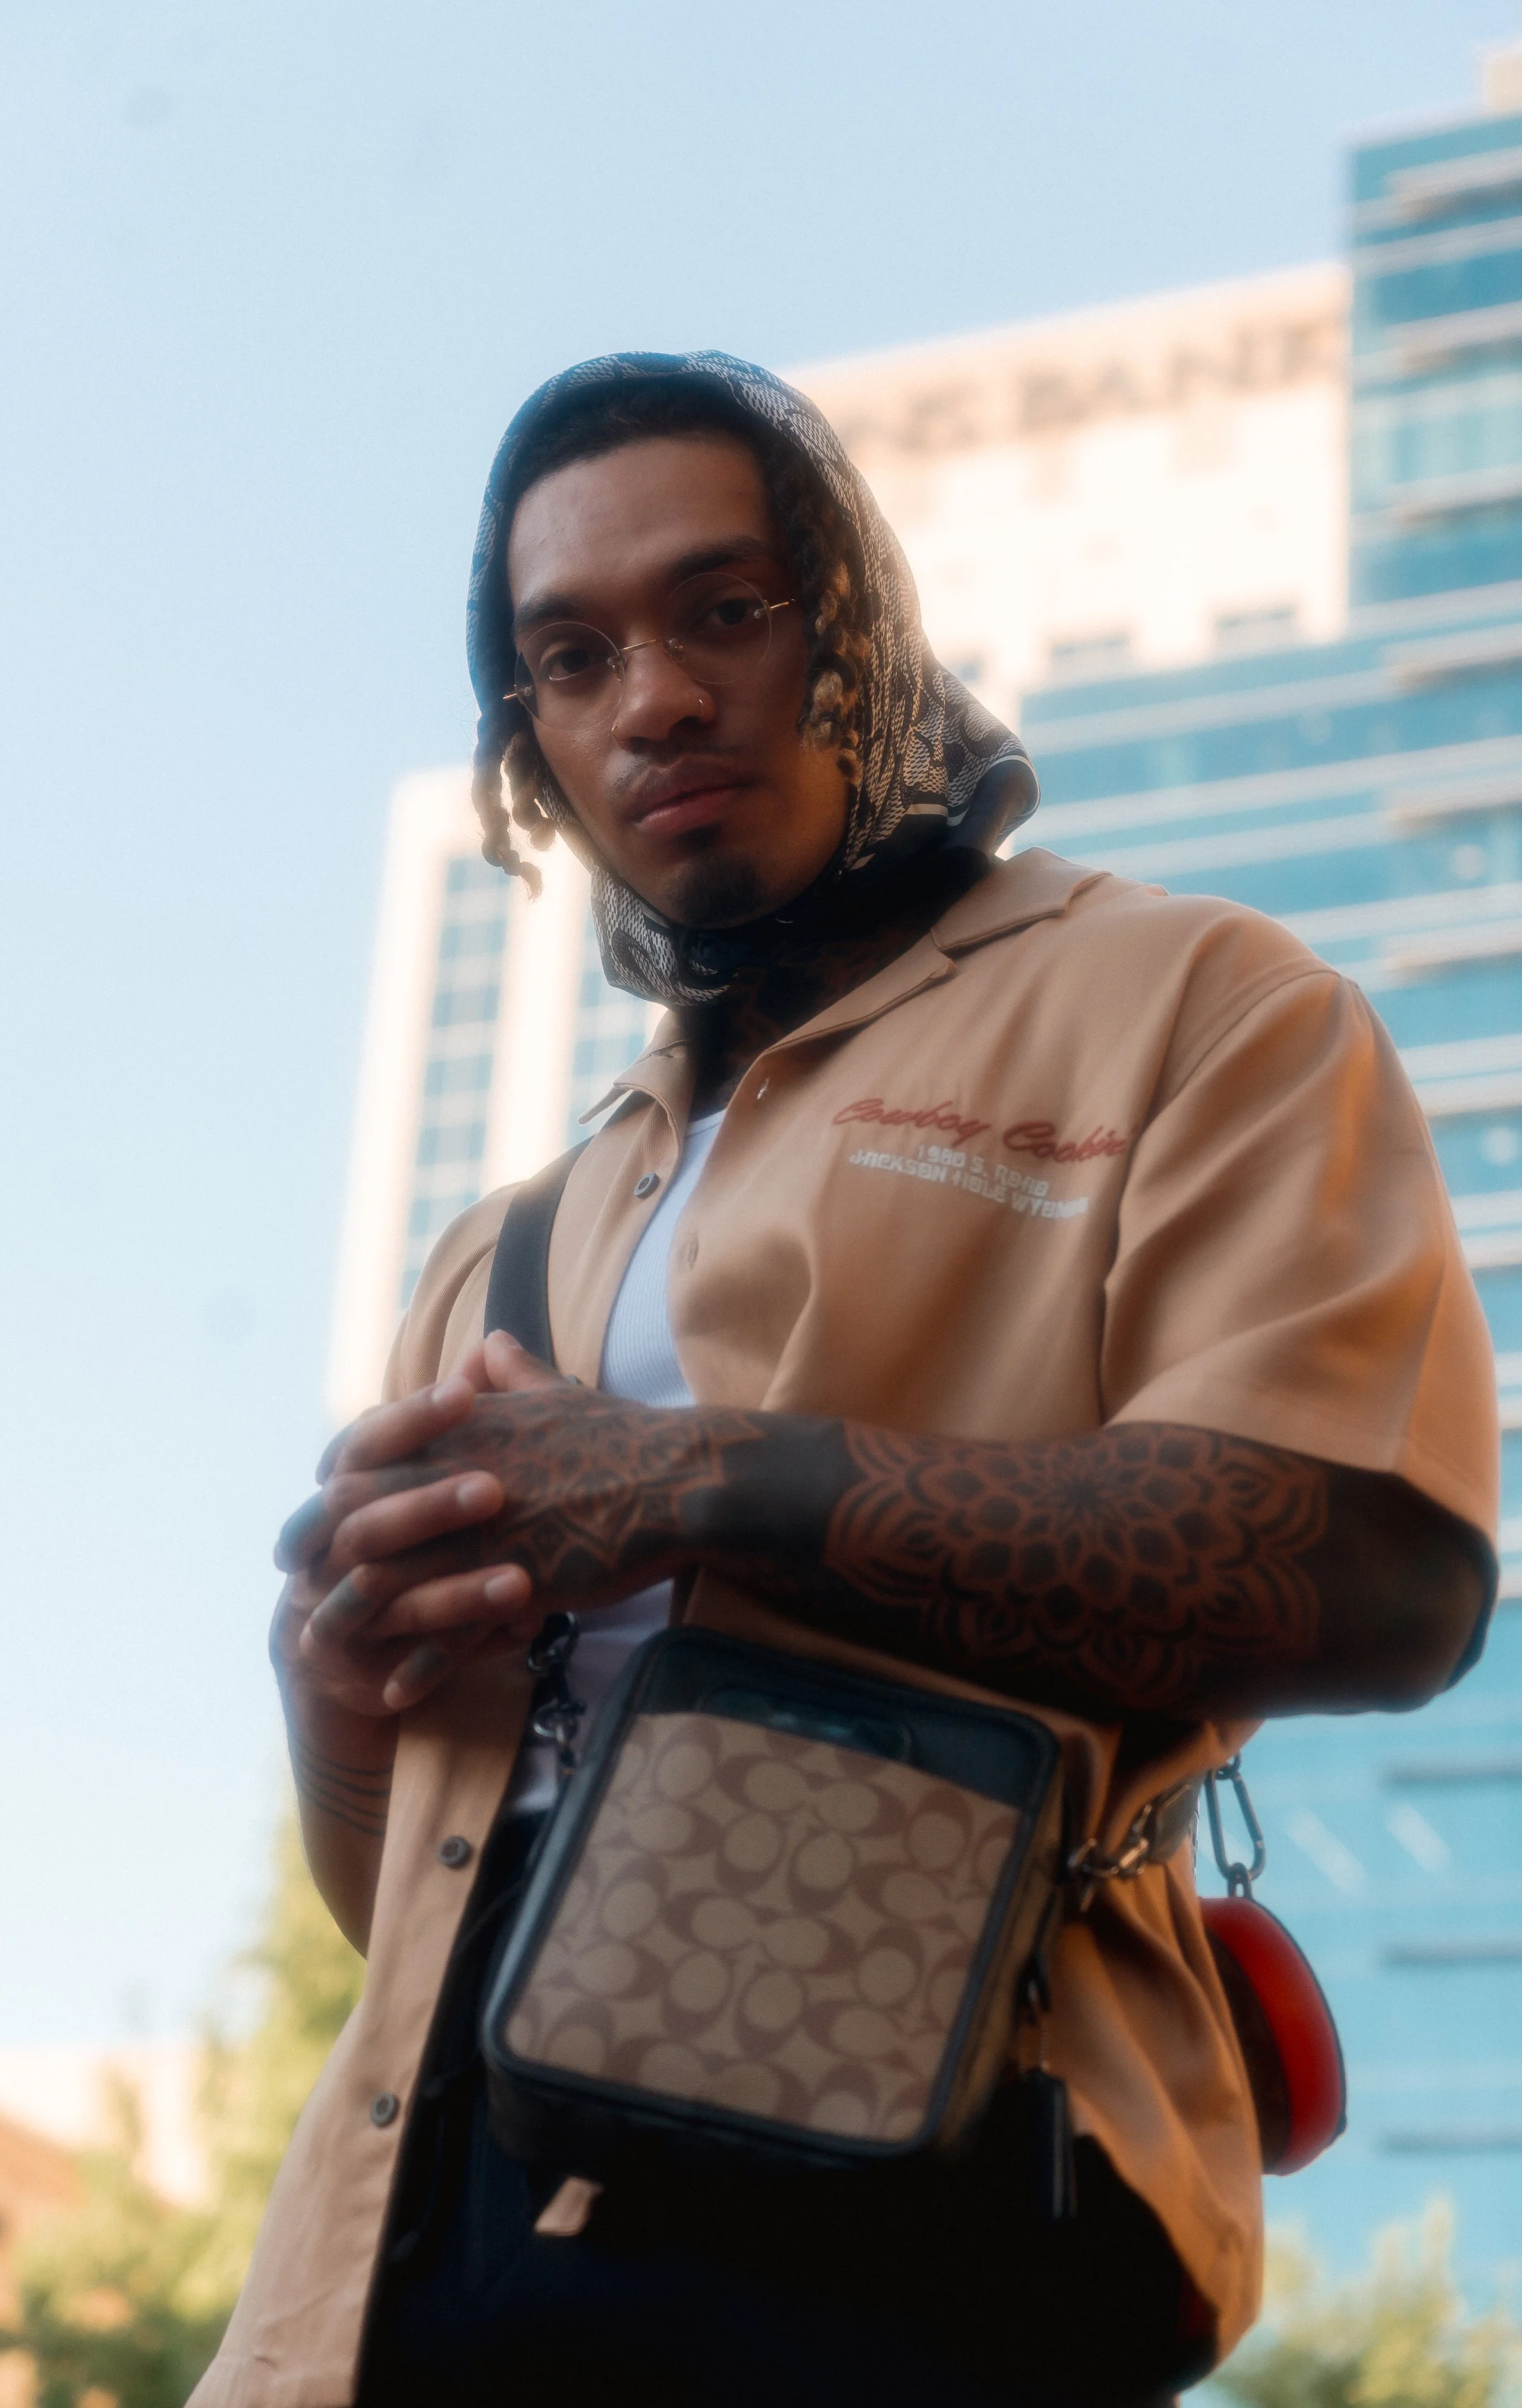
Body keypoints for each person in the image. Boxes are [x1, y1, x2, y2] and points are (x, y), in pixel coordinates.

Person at [189, 353, 1498, 2408]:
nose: (655, 698)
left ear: (857, 622)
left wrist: (692, 1480)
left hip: (910, 2218)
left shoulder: (1191, 1003)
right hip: (370, 2281)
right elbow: (409, 1898)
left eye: (725, 609)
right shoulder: (499, 1243)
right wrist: (337, 1680)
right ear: (523, 734)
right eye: (570, 654)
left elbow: (1381, 1574)